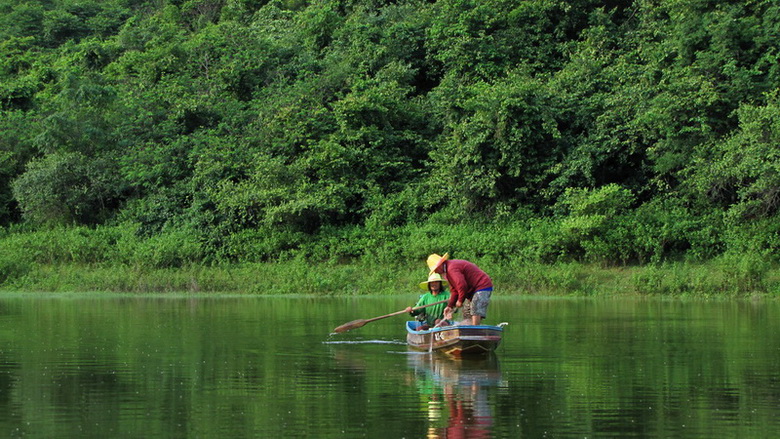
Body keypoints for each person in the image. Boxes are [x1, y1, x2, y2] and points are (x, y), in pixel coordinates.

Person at [427, 253, 493, 326]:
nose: (436, 272)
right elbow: (454, 290)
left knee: (475, 308)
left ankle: (475, 330)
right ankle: (468, 330)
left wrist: (460, 300)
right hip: (473, 291)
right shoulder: (448, 273)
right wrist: (450, 306)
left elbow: (462, 285)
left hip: (482, 286)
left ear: (439, 266)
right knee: (466, 311)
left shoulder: (451, 268)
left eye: (435, 269)